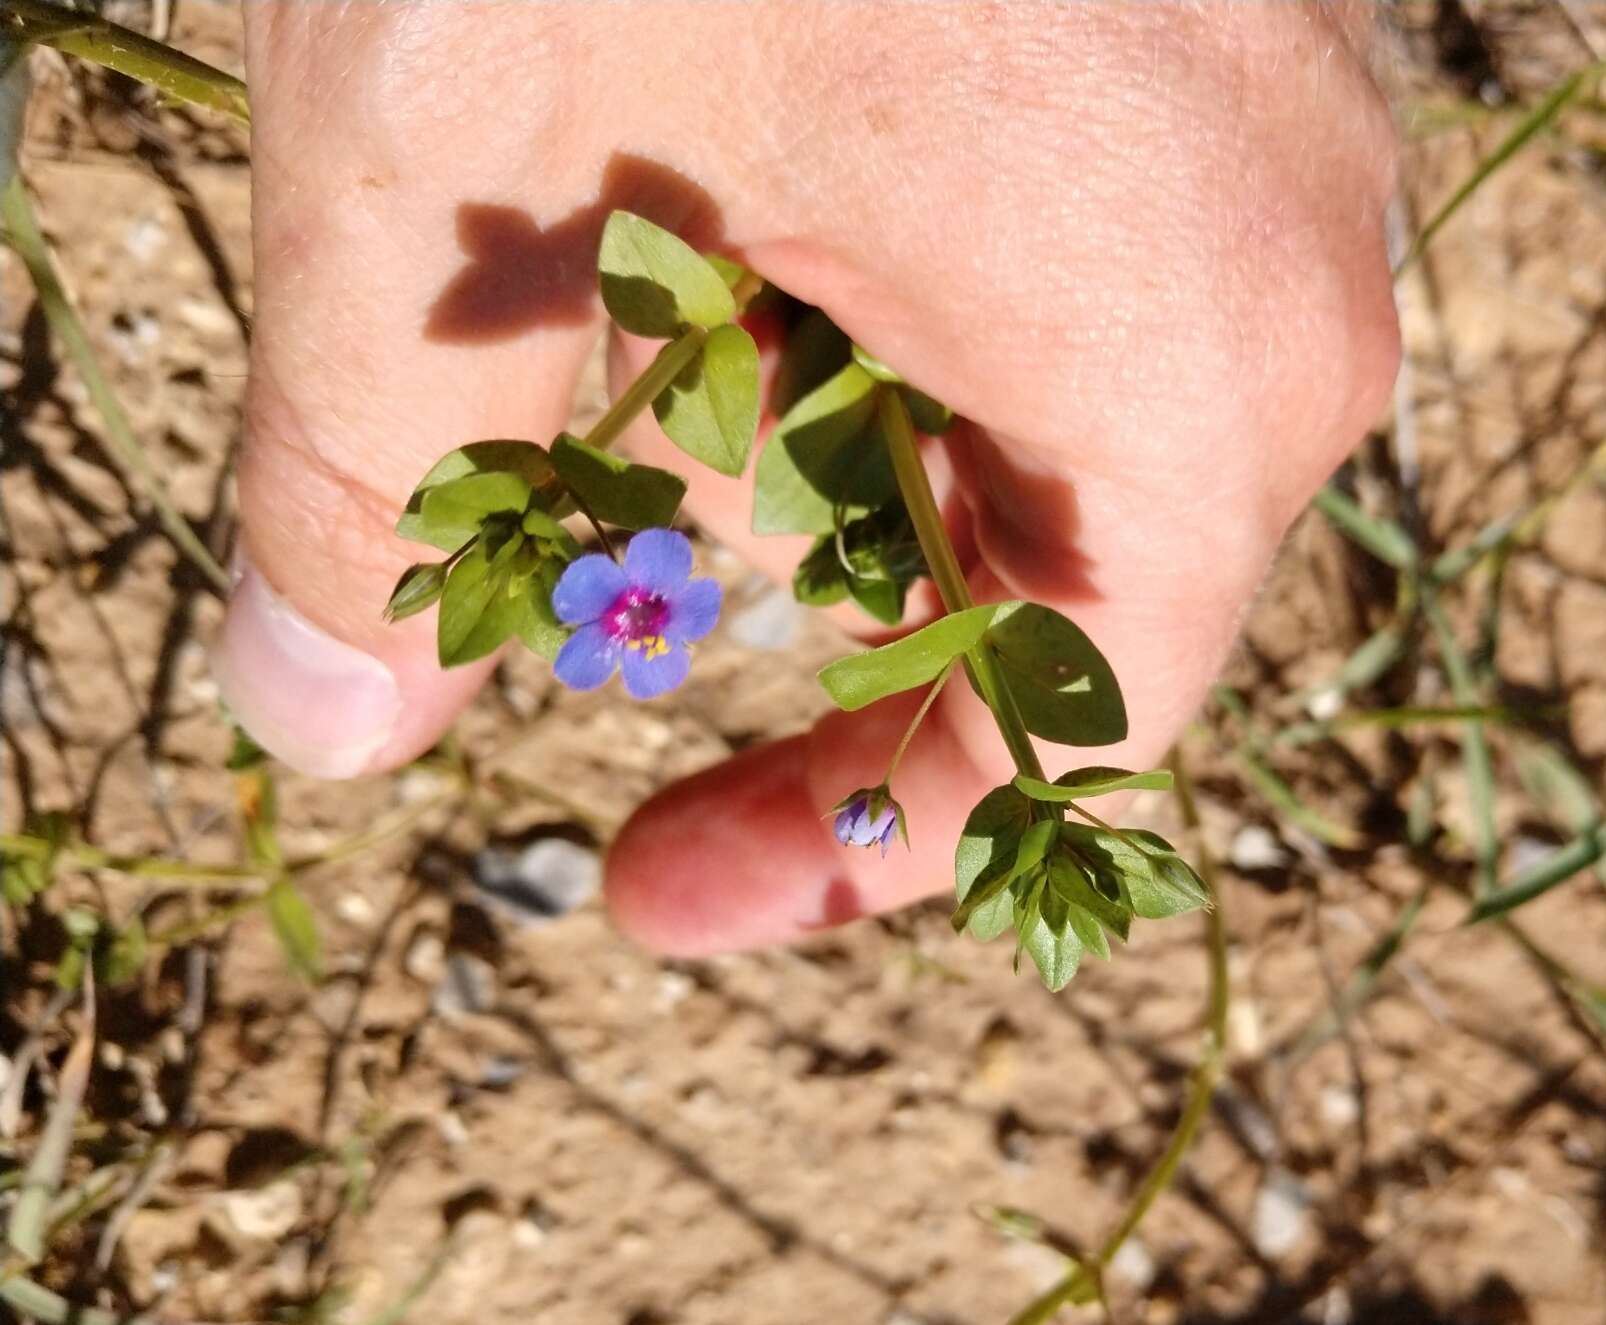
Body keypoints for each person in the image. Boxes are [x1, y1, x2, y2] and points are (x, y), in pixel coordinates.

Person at [212, 3, 1401, 956]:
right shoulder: (638, 569)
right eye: (637, 618)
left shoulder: (632, 583)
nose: (636, 622)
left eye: (634, 622)